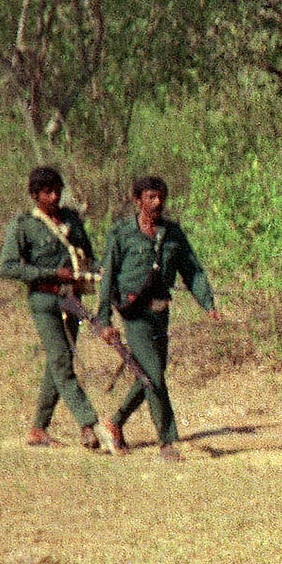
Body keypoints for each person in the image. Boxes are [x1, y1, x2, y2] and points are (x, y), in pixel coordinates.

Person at [95, 176, 223, 460]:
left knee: (151, 375)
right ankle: (167, 441)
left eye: (161, 196)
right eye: (151, 197)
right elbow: (107, 279)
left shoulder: (173, 233)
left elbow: (193, 271)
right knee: (151, 373)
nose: (157, 202)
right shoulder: (121, 234)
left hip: (160, 315)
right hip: (134, 315)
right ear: (137, 200)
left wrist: (207, 303)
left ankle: (114, 422)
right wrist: (104, 321)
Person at [1, 166, 105, 450]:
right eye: (48, 192)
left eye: (58, 190)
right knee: (60, 359)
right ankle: (88, 423)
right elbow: (7, 267)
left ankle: (38, 430)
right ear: (35, 196)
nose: (55, 196)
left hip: (73, 299)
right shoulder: (24, 225)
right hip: (44, 300)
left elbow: (88, 257)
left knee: (60, 361)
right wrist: (49, 274)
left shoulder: (72, 218)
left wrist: (101, 270)